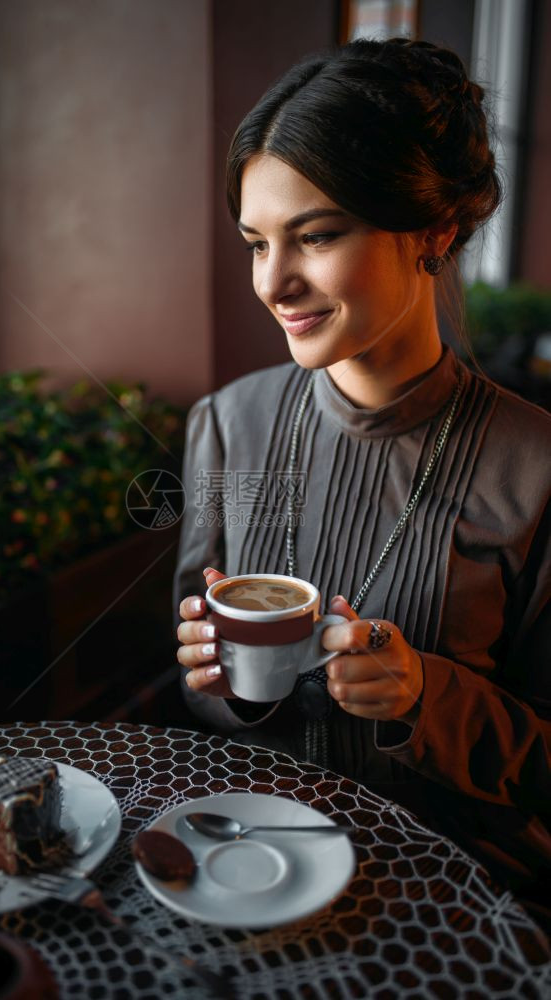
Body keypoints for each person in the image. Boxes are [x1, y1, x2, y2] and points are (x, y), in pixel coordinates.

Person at [173, 37, 551, 929]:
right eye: (257, 242)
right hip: (249, 869)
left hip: (453, 898)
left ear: (436, 230)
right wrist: (219, 684)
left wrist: (428, 693)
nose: (275, 281)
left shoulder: (535, 467)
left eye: (317, 234)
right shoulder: (225, 425)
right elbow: (199, 696)